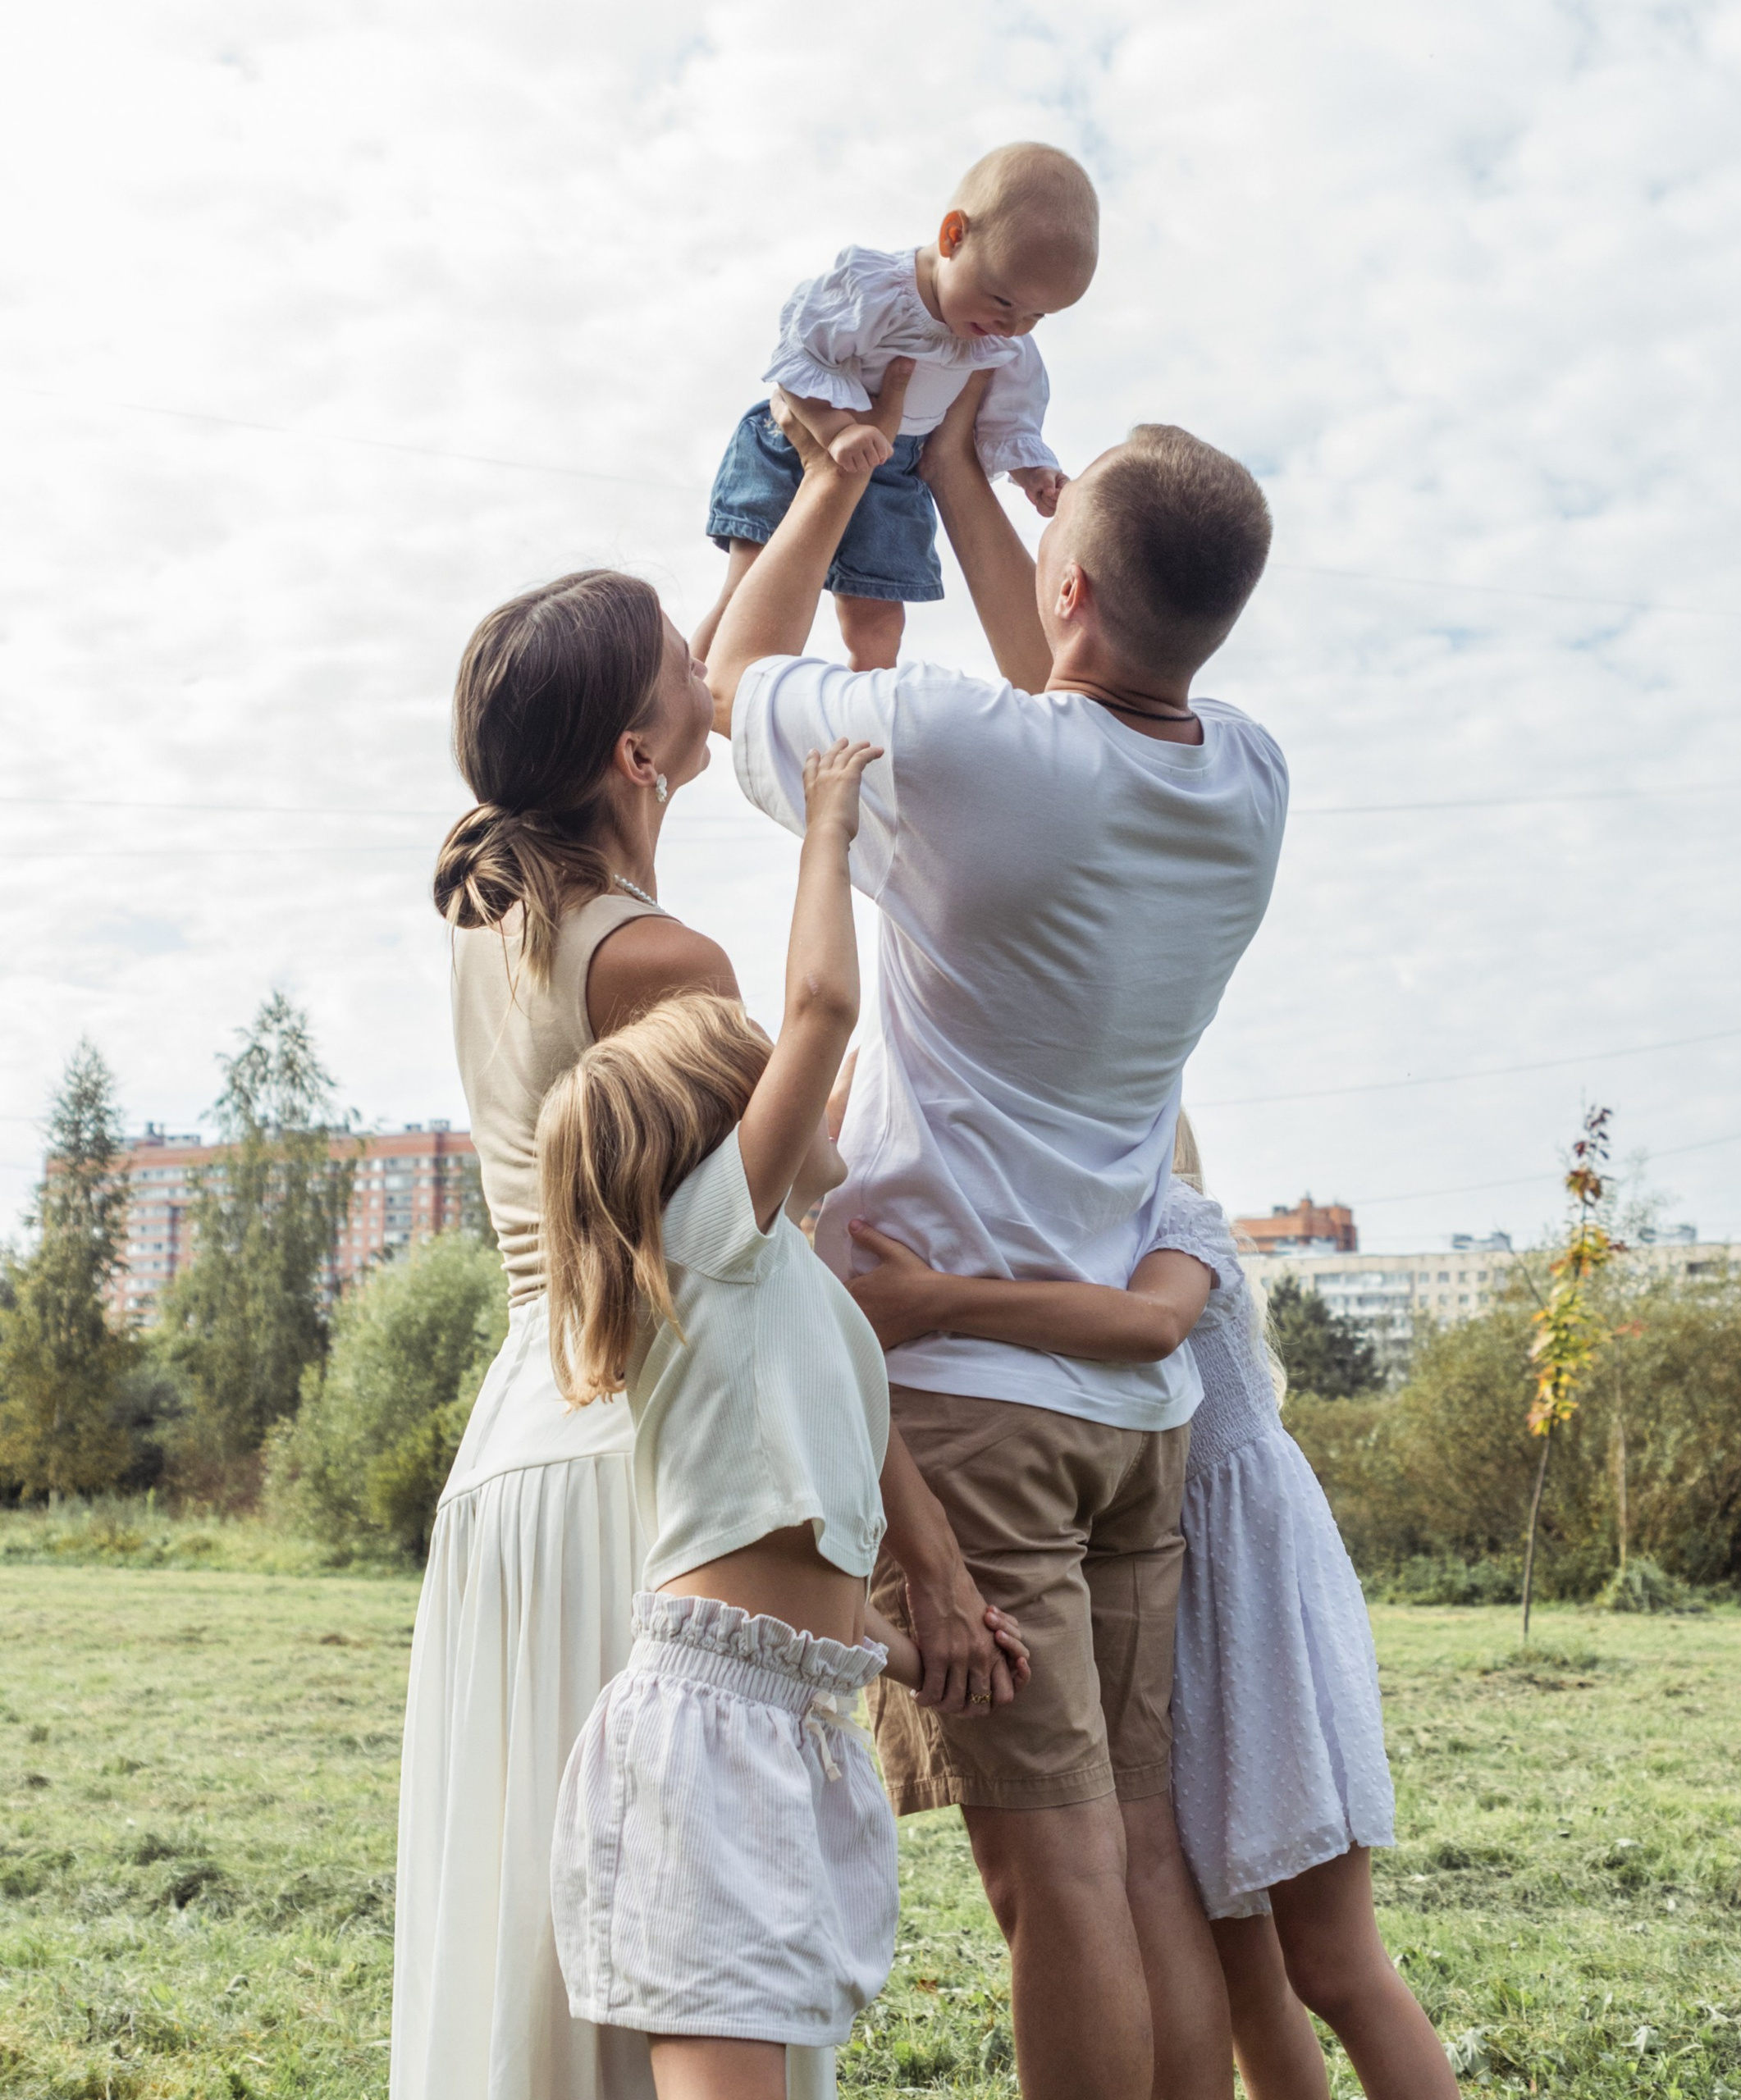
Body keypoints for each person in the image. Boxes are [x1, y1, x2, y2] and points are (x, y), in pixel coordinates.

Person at [703, 376, 1286, 2100]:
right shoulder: (1249, 776)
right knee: (1134, 1853)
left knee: (1048, 1882)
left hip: (971, 1406)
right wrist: (981, 474)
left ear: (1072, 593)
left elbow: (732, 678)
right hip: (1133, 1423)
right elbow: (1076, 684)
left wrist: (851, 480)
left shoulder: (968, 750)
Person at [395, 509, 1011, 2100]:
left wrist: (825, 482)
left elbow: (700, 647)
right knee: (693, 1937)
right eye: (684, 658)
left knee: (542, 1926)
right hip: (646, 1463)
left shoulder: (489, 916)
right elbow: (800, 1224)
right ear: (634, 748)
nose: (710, 658)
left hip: (518, 1439)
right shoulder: (668, 960)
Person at [534, 737, 1029, 2100]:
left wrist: (900, 1639)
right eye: (773, 1075)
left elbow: (794, 1547)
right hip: (707, 1743)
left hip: (788, 1720)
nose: (818, 1079)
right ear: (719, 1137)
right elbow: (819, 1001)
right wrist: (827, 826)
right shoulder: (713, 1240)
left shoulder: (796, 1295)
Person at [842, 1116, 1463, 2100]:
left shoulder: (1177, 1218)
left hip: (1252, 1610)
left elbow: (1149, 1325)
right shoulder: (1071, 1241)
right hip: (1173, 1614)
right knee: (1236, 1959)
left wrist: (934, 1301)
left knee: (1332, 1960)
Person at [693, 142, 1096, 675]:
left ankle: (861, 732)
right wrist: (836, 430)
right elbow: (796, 362)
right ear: (953, 236)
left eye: (1036, 316)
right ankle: (681, 712)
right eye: (1003, 302)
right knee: (748, 595)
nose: (1013, 327)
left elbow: (1006, 419)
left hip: (897, 473)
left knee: (879, 626)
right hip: (799, 446)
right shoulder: (874, 289)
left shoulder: (1004, 344)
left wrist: (1033, 471)